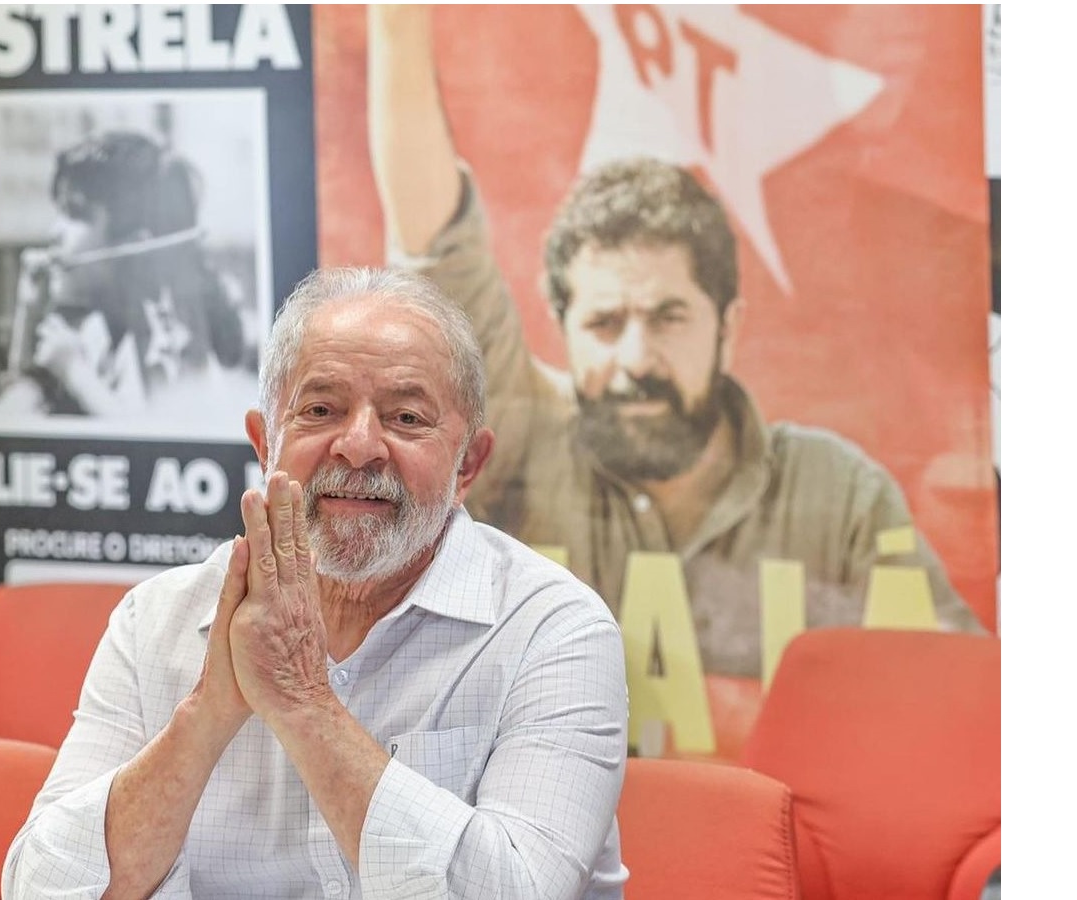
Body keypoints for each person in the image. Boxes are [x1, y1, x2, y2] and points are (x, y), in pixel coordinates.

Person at [367, 5, 985, 753]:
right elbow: (436, 241)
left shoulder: (838, 497)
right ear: (562, 327)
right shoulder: (522, 440)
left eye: (668, 318)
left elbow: (963, 719)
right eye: (605, 323)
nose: (636, 359)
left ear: (728, 327)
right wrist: (397, 23)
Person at [2, 267, 629, 899]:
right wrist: (206, 715)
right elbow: (39, 888)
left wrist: (302, 701)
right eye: (321, 410)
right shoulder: (158, 619)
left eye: (406, 417)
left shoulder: (553, 631)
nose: (358, 447)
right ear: (264, 444)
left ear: (468, 464)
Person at [0, 129, 254, 422]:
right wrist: (29, 313)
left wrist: (75, 372)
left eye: (75, 214)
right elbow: (21, 402)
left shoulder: (169, 343)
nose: (54, 232)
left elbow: (157, 440)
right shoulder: (96, 333)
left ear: (134, 248)